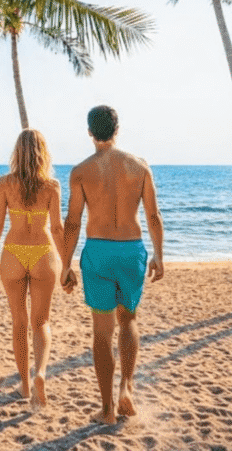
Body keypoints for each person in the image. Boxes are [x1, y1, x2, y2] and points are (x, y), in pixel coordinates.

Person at [60, 105, 164, 423]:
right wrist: (159, 255)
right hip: (131, 249)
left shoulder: (80, 171)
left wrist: (65, 265)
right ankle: (127, 390)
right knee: (128, 321)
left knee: (102, 332)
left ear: (90, 132)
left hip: (98, 252)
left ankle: (106, 410)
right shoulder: (140, 166)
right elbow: (153, 216)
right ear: (117, 130)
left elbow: (73, 222)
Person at [0, 128, 68, 408]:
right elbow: (57, 228)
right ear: (42, 153)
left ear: (17, 153)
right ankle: (41, 374)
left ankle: (23, 386)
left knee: (19, 322)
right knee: (41, 322)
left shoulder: (4, 183)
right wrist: (67, 263)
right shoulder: (52, 186)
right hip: (43, 253)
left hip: (13, 252)